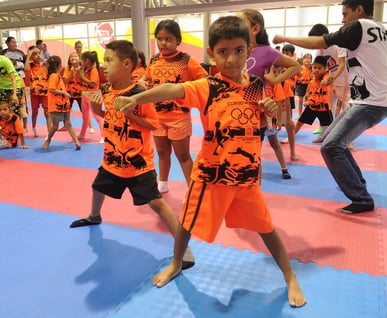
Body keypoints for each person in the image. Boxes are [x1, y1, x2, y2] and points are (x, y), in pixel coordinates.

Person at [115, 16, 306, 308]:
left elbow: (267, 122)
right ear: (211, 53)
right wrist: (138, 98)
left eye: (239, 51)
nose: (232, 59)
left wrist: (269, 111)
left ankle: (290, 275)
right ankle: (177, 261)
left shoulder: (256, 85)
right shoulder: (207, 85)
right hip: (210, 175)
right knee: (187, 223)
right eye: (223, 52)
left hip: (246, 175)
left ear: (249, 49)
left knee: (266, 227)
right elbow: (173, 90)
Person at [273, 0, 387, 214]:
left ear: (359, 10)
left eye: (345, 13)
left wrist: (285, 38)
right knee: (332, 140)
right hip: (369, 101)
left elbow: (320, 40)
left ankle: (361, 198)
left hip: (370, 103)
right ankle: (357, 184)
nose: (343, 19)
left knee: (331, 147)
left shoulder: (359, 27)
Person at [69, 39, 194, 269]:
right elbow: (107, 115)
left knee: (156, 203)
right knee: (98, 187)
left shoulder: (139, 93)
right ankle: (94, 216)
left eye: (108, 61)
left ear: (126, 64)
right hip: (112, 159)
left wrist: (131, 114)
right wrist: (97, 107)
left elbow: (153, 125)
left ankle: (182, 245)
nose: (103, 66)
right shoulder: (106, 89)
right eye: (103, 61)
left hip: (138, 164)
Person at [140, 20, 208, 193]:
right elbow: (145, 79)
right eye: (160, 39)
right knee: (162, 153)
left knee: (183, 156)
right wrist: (142, 82)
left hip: (179, 117)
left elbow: (205, 80)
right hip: (157, 116)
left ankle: (193, 190)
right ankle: (162, 182)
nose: (163, 43)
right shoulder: (154, 60)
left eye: (168, 39)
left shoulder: (187, 61)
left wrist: (188, 92)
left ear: (178, 40)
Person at [236, 9, 300, 165]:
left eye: (240, 23)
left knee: (252, 157)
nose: (236, 27)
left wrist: (275, 80)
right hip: (235, 109)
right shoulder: (237, 49)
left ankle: (254, 187)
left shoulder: (265, 51)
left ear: (255, 29)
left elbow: (295, 66)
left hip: (255, 112)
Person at [42, 56, 81, 150]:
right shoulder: (53, 76)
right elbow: (51, 89)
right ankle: (48, 139)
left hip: (64, 104)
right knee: (55, 126)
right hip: (56, 105)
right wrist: (64, 92)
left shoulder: (57, 75)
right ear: (59, 65)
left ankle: (76, 141)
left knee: (68, 123)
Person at [293, 56, 333, 143]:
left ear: (324, 69)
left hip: (323, 107)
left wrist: (325, 81)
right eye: (315, 67)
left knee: (327, 125)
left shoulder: (326, 75)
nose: (316, 70)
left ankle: (322, 137)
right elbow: (309, 85)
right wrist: (307, 95)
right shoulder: (312, 76)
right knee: (300, 122)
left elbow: (327, 79)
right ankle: (291, 136)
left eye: (319, 68)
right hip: (312, 105)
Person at [78, 51, 104, 142]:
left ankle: (103, 136)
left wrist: (82, 77)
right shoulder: (85, 70)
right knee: (85, 116)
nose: (81, 61)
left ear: (87, 60)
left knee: (97, 116)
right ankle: (82, 133)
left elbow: (93, 84)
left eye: (83, 59)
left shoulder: (94, 70)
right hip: (85, 94)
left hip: (93, 94)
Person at [24, 45, 50, 137]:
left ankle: (49, 133)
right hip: (34, 93)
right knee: (35, 111)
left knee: (47, 113)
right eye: (35, 54)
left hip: (45, 92)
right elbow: (26, 69)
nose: (38, 55)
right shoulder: (30, 65)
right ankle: (34, 127)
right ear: (31, 56)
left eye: (39, 53)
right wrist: (28, 56)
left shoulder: (45, 65)